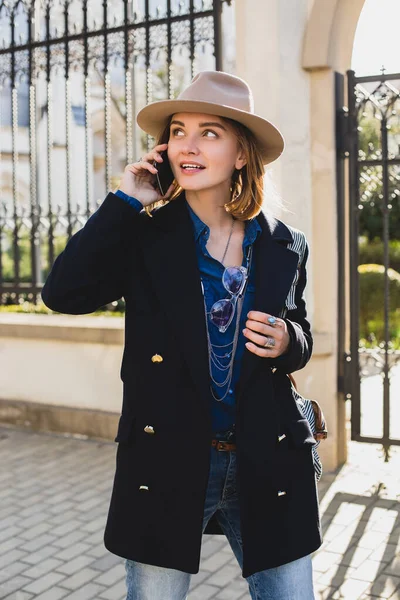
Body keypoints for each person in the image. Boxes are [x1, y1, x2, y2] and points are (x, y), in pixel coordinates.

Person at [41, 70, 321, 600]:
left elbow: (301, 330)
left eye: (209, 133)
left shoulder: (283, 244)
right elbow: (62, 294)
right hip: (169, 454)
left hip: (268, 453)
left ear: (242, 154)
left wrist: (288, 340)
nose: (186, 146)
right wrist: (125, 200)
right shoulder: (144, 236)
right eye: (178, 130)